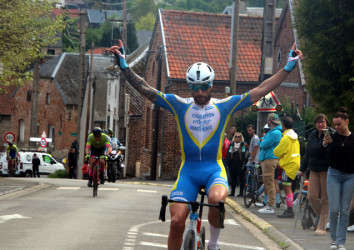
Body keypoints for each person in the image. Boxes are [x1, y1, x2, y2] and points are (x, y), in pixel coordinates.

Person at [109, 39, 302, 250]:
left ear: (211, 85)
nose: (199, 92)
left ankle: (213, 244)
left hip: (213, 169)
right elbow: (146, 90)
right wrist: (125, 68)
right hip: (188, 171)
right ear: (190, 86)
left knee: (216, 200)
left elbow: (262, 89)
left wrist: (286, 69)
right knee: (176, 222)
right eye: (194, 87)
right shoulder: (179, 104)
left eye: (203, 87)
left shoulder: (225, 105)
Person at [323, 107, 354, 250]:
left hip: (350, 175)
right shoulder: (332, 137)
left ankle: (341, 241)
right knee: (334, 209)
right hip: (334, 174)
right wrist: (326, 144)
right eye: (335, 125)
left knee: (345, 209)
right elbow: (327, 157)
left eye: (339, 124)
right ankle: (334, 240)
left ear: (346, 122)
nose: (336, 127)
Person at [299, 114, 333, 235]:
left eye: (322, 122)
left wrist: (326, 144)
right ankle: (326, 218)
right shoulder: (313, 134)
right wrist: (302, 169)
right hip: (313, 169)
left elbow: (328, 152)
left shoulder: (331, 134)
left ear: (327, 123)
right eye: (318, 122)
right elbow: (310, 152)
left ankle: (321, 227)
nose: (320, 124)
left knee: (325, 198)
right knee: (311, 197)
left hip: (326, 169)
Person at [273, 117, 300, 218]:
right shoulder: (295, 137)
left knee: (287, 188)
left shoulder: (286, 138)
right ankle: (289, 209)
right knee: (288, 187)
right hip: (294, 163)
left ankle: (290, 211)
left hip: (288, 165)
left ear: (283, 125)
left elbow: (276, 152)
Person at [257, 114, 283, 214]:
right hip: (268, 159)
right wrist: (262, 140)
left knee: (269, 183)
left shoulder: (274, 133)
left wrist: (262, 140)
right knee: (268, 182)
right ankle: (269, 203)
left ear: (269, 121)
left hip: (269, 159)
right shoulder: (274, 132)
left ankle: (270, 205)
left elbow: (263, 144)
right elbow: (262, 141)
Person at [226, 132, 247, 196]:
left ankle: (241, 193)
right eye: (236, 136)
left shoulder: (243, 144)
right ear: (234, 137)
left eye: (239, 136)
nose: (237, 138)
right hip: (233, 163)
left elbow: (244, 154)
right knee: (233, 178)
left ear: (241, 138)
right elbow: (229, 154)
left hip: (240, 163)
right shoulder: (231, 144)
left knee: (241, 179)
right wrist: (228, 163)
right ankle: (232, 192)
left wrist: (244, 163)